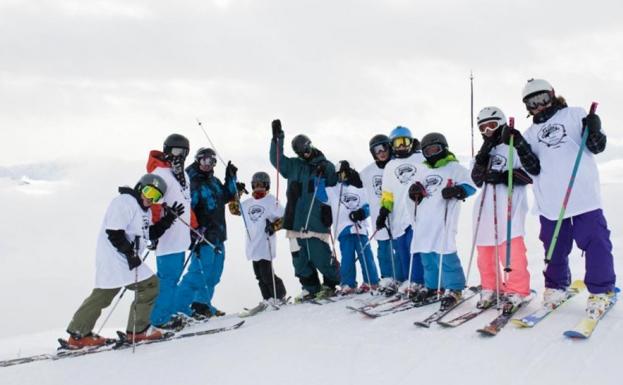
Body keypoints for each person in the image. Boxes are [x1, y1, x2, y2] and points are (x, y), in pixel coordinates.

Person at [520, 78, 615, 318]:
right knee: (554, 245)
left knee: (595, 241)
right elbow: (534, 169)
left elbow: (596, 146)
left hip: (583, 196)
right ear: (527, 107)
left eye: (542, 99)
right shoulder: (529, 133)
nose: (539, 106)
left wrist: (593, 128)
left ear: (552, 95)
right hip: (551, 201)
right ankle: (556, 286)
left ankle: (602, 290)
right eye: (532, 103)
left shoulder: (574, 115)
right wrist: (521, 146)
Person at [65, 174, 182, 348]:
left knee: (103, 295)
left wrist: (167, 220)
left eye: (156, 197)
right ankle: (138, 331)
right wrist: (130, 253)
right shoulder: (124, 202)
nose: (150, 199)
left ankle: (79, 335)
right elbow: (114, 232)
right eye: (149, 192)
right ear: (140, 187)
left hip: (123, 258)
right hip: (116, 257)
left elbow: (148, 234)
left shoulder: (145, 210)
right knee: (149, 285)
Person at [471, 107, 537, 313]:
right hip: (485, 211)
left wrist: (503, 176)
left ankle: (517, 289)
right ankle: (491, 287)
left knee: (511, 253)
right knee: (485, 254)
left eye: (491, 125)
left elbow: (530, 175)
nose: (487, 131)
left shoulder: (515, 148)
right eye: (483, 127)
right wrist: (483, 155)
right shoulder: (484, 153)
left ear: (501, 123)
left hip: (509, 208)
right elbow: (476, 180)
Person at [270, 119, 341, 301]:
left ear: (311, 145)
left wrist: (328, 173)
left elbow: (335, 185)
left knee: (320, 255)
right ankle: (310, 288)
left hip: (316, 219)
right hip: (295, 220)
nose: (306, 153)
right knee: (299, 259)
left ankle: (331, 284)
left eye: (307, 148)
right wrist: (277, 139)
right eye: (302, 152)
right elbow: (276, 160)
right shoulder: (293, 166)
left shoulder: (325, 165)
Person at [408, 132, 476, 310]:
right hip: (425, 219)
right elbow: (418, 190)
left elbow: (471, 186)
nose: (432, 154)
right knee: (427, 254)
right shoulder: (424, 170)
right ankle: (433, 286)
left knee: (445, 253)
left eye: (435, 149)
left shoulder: (455, 168)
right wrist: (414, 192)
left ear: (443, 148)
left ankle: (454, 288)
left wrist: (458, 191)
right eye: (428, 151)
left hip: (444, 218)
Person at [174, 147, 238, 319]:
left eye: (212, 161)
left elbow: (226, 196)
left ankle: (201, 305)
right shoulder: (190, 182)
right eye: (204, 160)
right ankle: (177, 309)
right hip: (201, 237)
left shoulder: (214, 181)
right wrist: (192, 231)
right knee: (197, 274)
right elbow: (186, 210)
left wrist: (231, 178)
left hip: (218, 234)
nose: (208, 164)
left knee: (214, 274)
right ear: (197, 160)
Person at [147, 134, 194, 330]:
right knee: (167, 279)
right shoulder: (160, 174)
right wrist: (154, 230)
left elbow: (186, 204)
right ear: (167, 151)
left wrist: (195, 228)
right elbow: (153, 204)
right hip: (167, 237)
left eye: (184, 152)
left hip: (181, 236)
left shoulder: (183, 176)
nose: (180, 156)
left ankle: (168, 313)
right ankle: (158, 319)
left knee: (173, 278)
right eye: (176, 151)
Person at [378, 126, 424, 295]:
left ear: (411, 142)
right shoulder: (390, 166)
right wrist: (384, 210)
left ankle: (418, 280)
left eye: (405, 142)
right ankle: (408, 279)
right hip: (398, 215)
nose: (401, 146)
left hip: (415, 211)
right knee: (402, 247)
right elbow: (388, 194)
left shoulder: (420, 159)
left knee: (415, 247)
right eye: (397, 143)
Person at [230, 171, 287, 307]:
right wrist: (236, 193)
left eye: (261, 185)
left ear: (267, 186)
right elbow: (234, 210)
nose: (258, 188)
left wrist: (274, 226)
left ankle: (278, 295)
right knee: (259, 276)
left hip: (265, 242)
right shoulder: (247, 203)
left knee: (267, 274)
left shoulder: (272, 201)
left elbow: (285, 218)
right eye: (255, 185)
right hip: (252, 244)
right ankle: (267, 298)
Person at [327, 161, 380, 295]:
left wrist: (362, 213)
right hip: (344, 228)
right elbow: (320, 193)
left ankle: (372, 281)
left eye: (346, 173)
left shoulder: (360, 188)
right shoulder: (334, 189)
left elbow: (368, 206)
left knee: (366, 255)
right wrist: (319, 176)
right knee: (347, 257)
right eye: (340, 174)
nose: (343, 177)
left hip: (359, 228)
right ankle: (348, 284)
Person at [360, 134, 403, 292]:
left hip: (398, 215)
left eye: (384, 147)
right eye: (377, 150)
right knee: (384, 249)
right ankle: (387, 279)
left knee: (400, 249)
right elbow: (352, 183)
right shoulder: (368, 172)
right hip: (379, 216)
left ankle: (402, 278)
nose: (381, 152)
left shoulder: (397, 165)